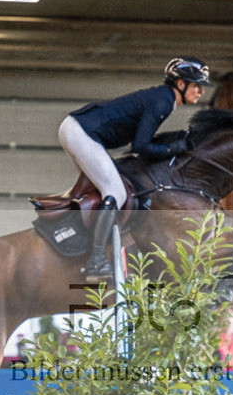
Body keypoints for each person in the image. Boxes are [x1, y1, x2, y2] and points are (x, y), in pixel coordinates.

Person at [59, 57, 212, 282]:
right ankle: (96, 260)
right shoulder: (163, 101)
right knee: (116, 192)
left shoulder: (163, 98)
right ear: (180, 84)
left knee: (105, 191)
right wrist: (172, 148)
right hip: (81, 132)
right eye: (197, 85)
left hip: (76, 129)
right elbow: (141, 147)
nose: (201, 91)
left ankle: (93, 248)